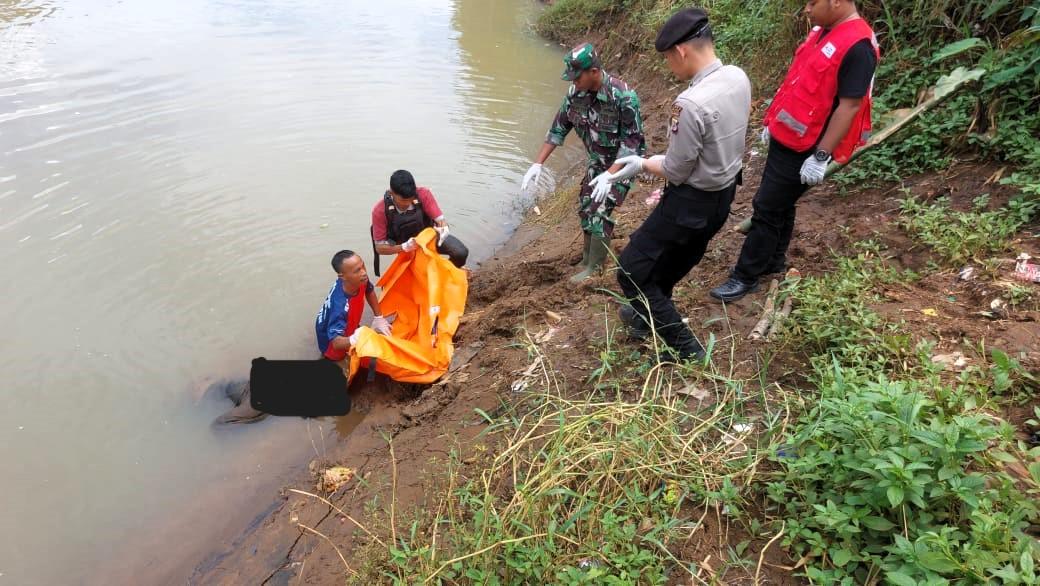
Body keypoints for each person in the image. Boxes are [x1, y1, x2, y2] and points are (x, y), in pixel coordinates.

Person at [594, 7, 751, 361]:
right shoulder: (737, 76)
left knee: (631, 270)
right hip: (723, 196)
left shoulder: (690, 103)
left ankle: (687, 350)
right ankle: (643, 316)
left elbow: (677, 169)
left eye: (667, 58)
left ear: (681, 51)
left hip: (689, 204)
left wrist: (641, 163)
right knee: (672, 261)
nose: (669, 66)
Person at [709, 0, 879, 302]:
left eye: (813, 2)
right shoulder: (822, 31)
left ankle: (746, 275)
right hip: (788, 135)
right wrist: (773, 121)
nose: (807, 9)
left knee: (767, 207)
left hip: (809, 145)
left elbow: (850, 105)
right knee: (781, 204)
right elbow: (799, 81)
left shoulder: (859, 46)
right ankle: (773, 261)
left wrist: (821, 155)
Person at [214, 250, 390, 424]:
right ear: (342, 276)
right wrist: (355, 339)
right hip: (332, 342)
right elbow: (336, 343)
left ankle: (240, 386)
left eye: (362, 266)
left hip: (337, 329)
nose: (363, 272)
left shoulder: (358, 280)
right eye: (357, 270)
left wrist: (378, 317)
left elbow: (369, 290)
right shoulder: (340, 306)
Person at [520, 42, 646, 283]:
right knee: (586, 205)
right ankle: (588, 258)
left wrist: (610, 176)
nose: (574, 82)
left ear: (594, 72)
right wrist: (538, 164)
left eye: (577, 77)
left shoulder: (623, 97)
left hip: (624, 165)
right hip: (596, 162)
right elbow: (558, 129)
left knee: (600, 209)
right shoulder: (575, 95)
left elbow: (631, 146)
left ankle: (594, 270)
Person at [371, 169, 468, 274]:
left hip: (429, 238)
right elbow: (380, 248)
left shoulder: (423, 194)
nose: (407, 203)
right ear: (391, 193)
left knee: (460, 253)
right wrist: (404, 247)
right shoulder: (380, 211)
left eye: (410, 199)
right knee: (419, 273)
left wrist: (444, 228)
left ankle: (448, 274)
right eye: (403, 200)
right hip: (405, 247)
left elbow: (440, 220)